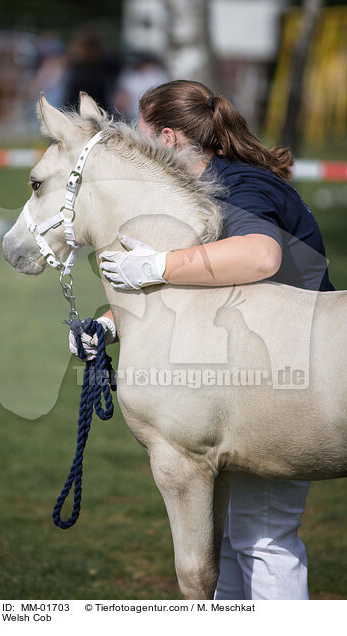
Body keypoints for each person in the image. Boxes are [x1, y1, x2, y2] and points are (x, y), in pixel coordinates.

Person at [70, 80, 335, 600]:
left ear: (167, 139)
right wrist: (110, 324)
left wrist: (156, 264)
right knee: (241, 541)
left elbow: (261, 257)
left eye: (141, 137)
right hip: (265, 379)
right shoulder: (207, 189)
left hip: (293, 381)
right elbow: (193, 294)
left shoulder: (238, 185)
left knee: (265, 540)